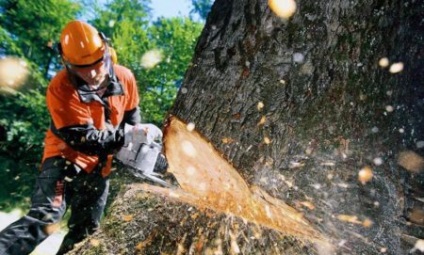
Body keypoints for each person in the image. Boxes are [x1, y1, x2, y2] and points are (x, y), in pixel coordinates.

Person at [0, 20, 155, 255]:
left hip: (101, 168)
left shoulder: (125, 78)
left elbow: (132, 119)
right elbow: (86, 140)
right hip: (64, 160)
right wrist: (126, 137)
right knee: (46, 217)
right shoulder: (60, 88)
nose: (92, 73)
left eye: (96, 64)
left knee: (86, 232)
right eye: (82, 67)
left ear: (105, 52)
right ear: (67, 62)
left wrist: (137, 149)